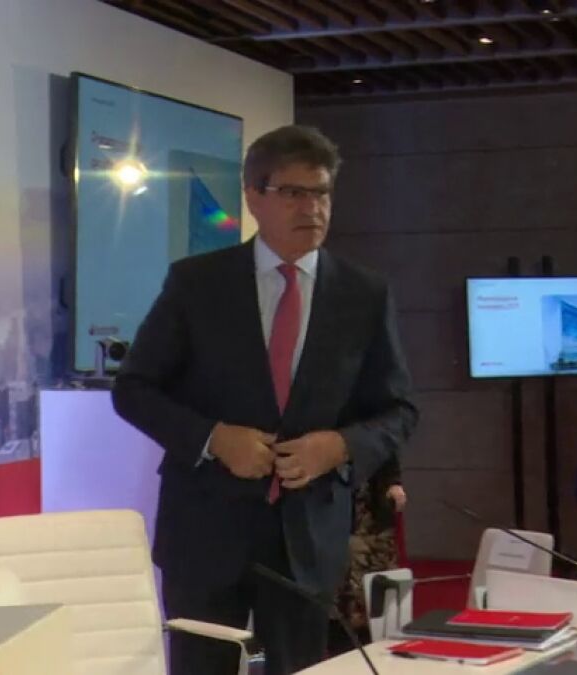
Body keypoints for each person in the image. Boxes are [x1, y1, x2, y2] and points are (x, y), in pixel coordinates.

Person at [111, 125, 418, 675]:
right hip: (205, 530)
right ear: (254, 196)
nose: (312, 208)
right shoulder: (197, 284)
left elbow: (398, 410)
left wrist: (340, 446)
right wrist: (213, 439)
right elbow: (133, 390)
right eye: (294, 193)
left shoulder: (364, 294)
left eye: (322, 193)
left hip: (309, 539)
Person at [329, 456, 407, 652]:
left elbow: (384, 448)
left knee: (371, 599)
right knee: (335, 598)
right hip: (327, 503)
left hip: (368, 515)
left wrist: (392, 482)